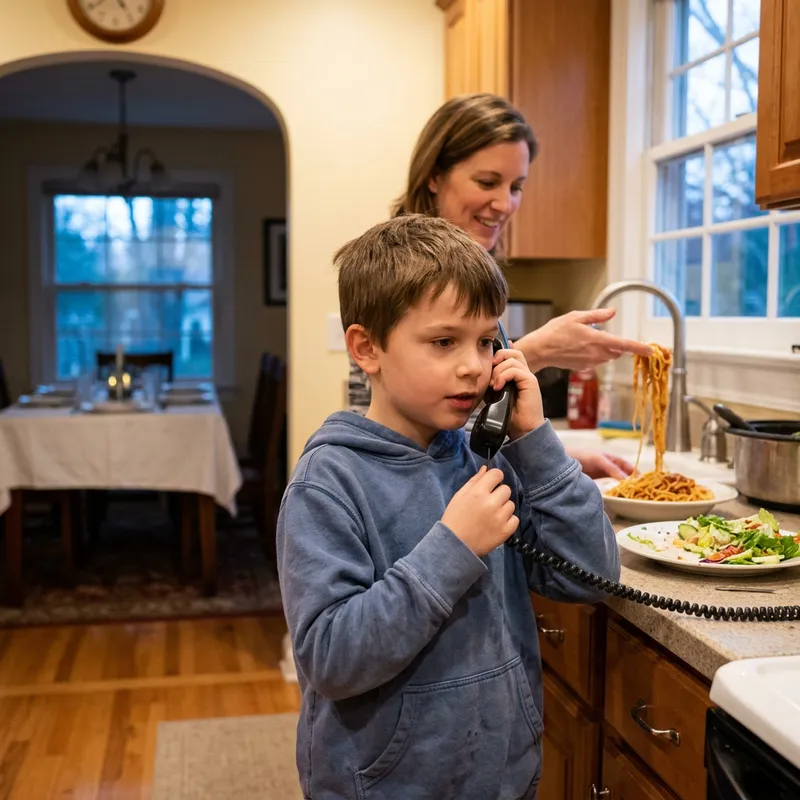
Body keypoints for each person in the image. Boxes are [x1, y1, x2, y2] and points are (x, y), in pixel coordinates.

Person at [277, 214, 620, 800]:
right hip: (385, 786)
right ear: (367, 348)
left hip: (502, 774)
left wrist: (535, 441)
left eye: (488, 341)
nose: (473, 365)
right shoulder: (328, 483)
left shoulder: (487, 457)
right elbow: (330, 658)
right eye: (444, 342)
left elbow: (593, 574)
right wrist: (452, 548)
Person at [348, 93, 652, 479]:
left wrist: (557, 459)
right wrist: (534, 352)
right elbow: (392, 436)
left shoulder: (481, 268)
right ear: (434, 175)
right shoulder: (390, 270)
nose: (505, 203)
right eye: (488, 182)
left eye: (516, 186)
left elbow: (458, 435)